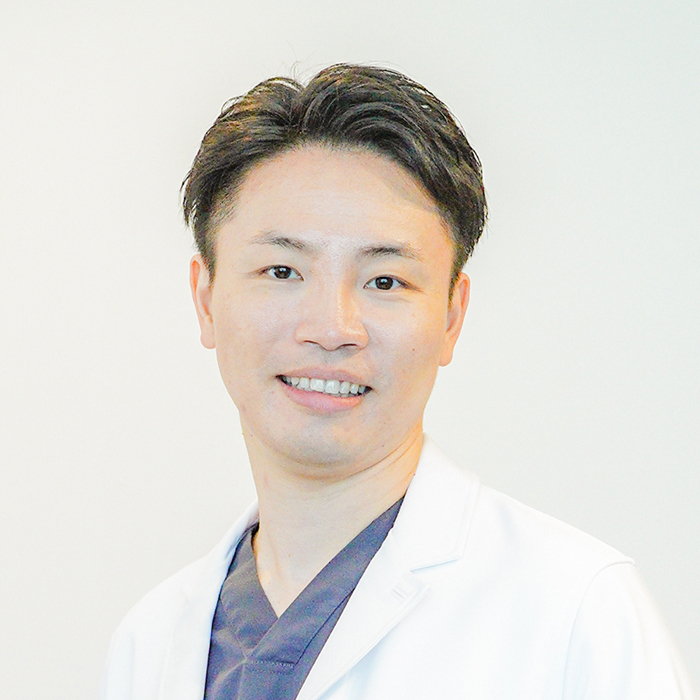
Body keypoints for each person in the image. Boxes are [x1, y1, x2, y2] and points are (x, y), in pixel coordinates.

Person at [99, 64, 697, 700]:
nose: (332, 328)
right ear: (206, 299)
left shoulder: (576, 612)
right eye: (281, 271)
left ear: (451, 317)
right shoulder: (150, 642)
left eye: (385, 281)